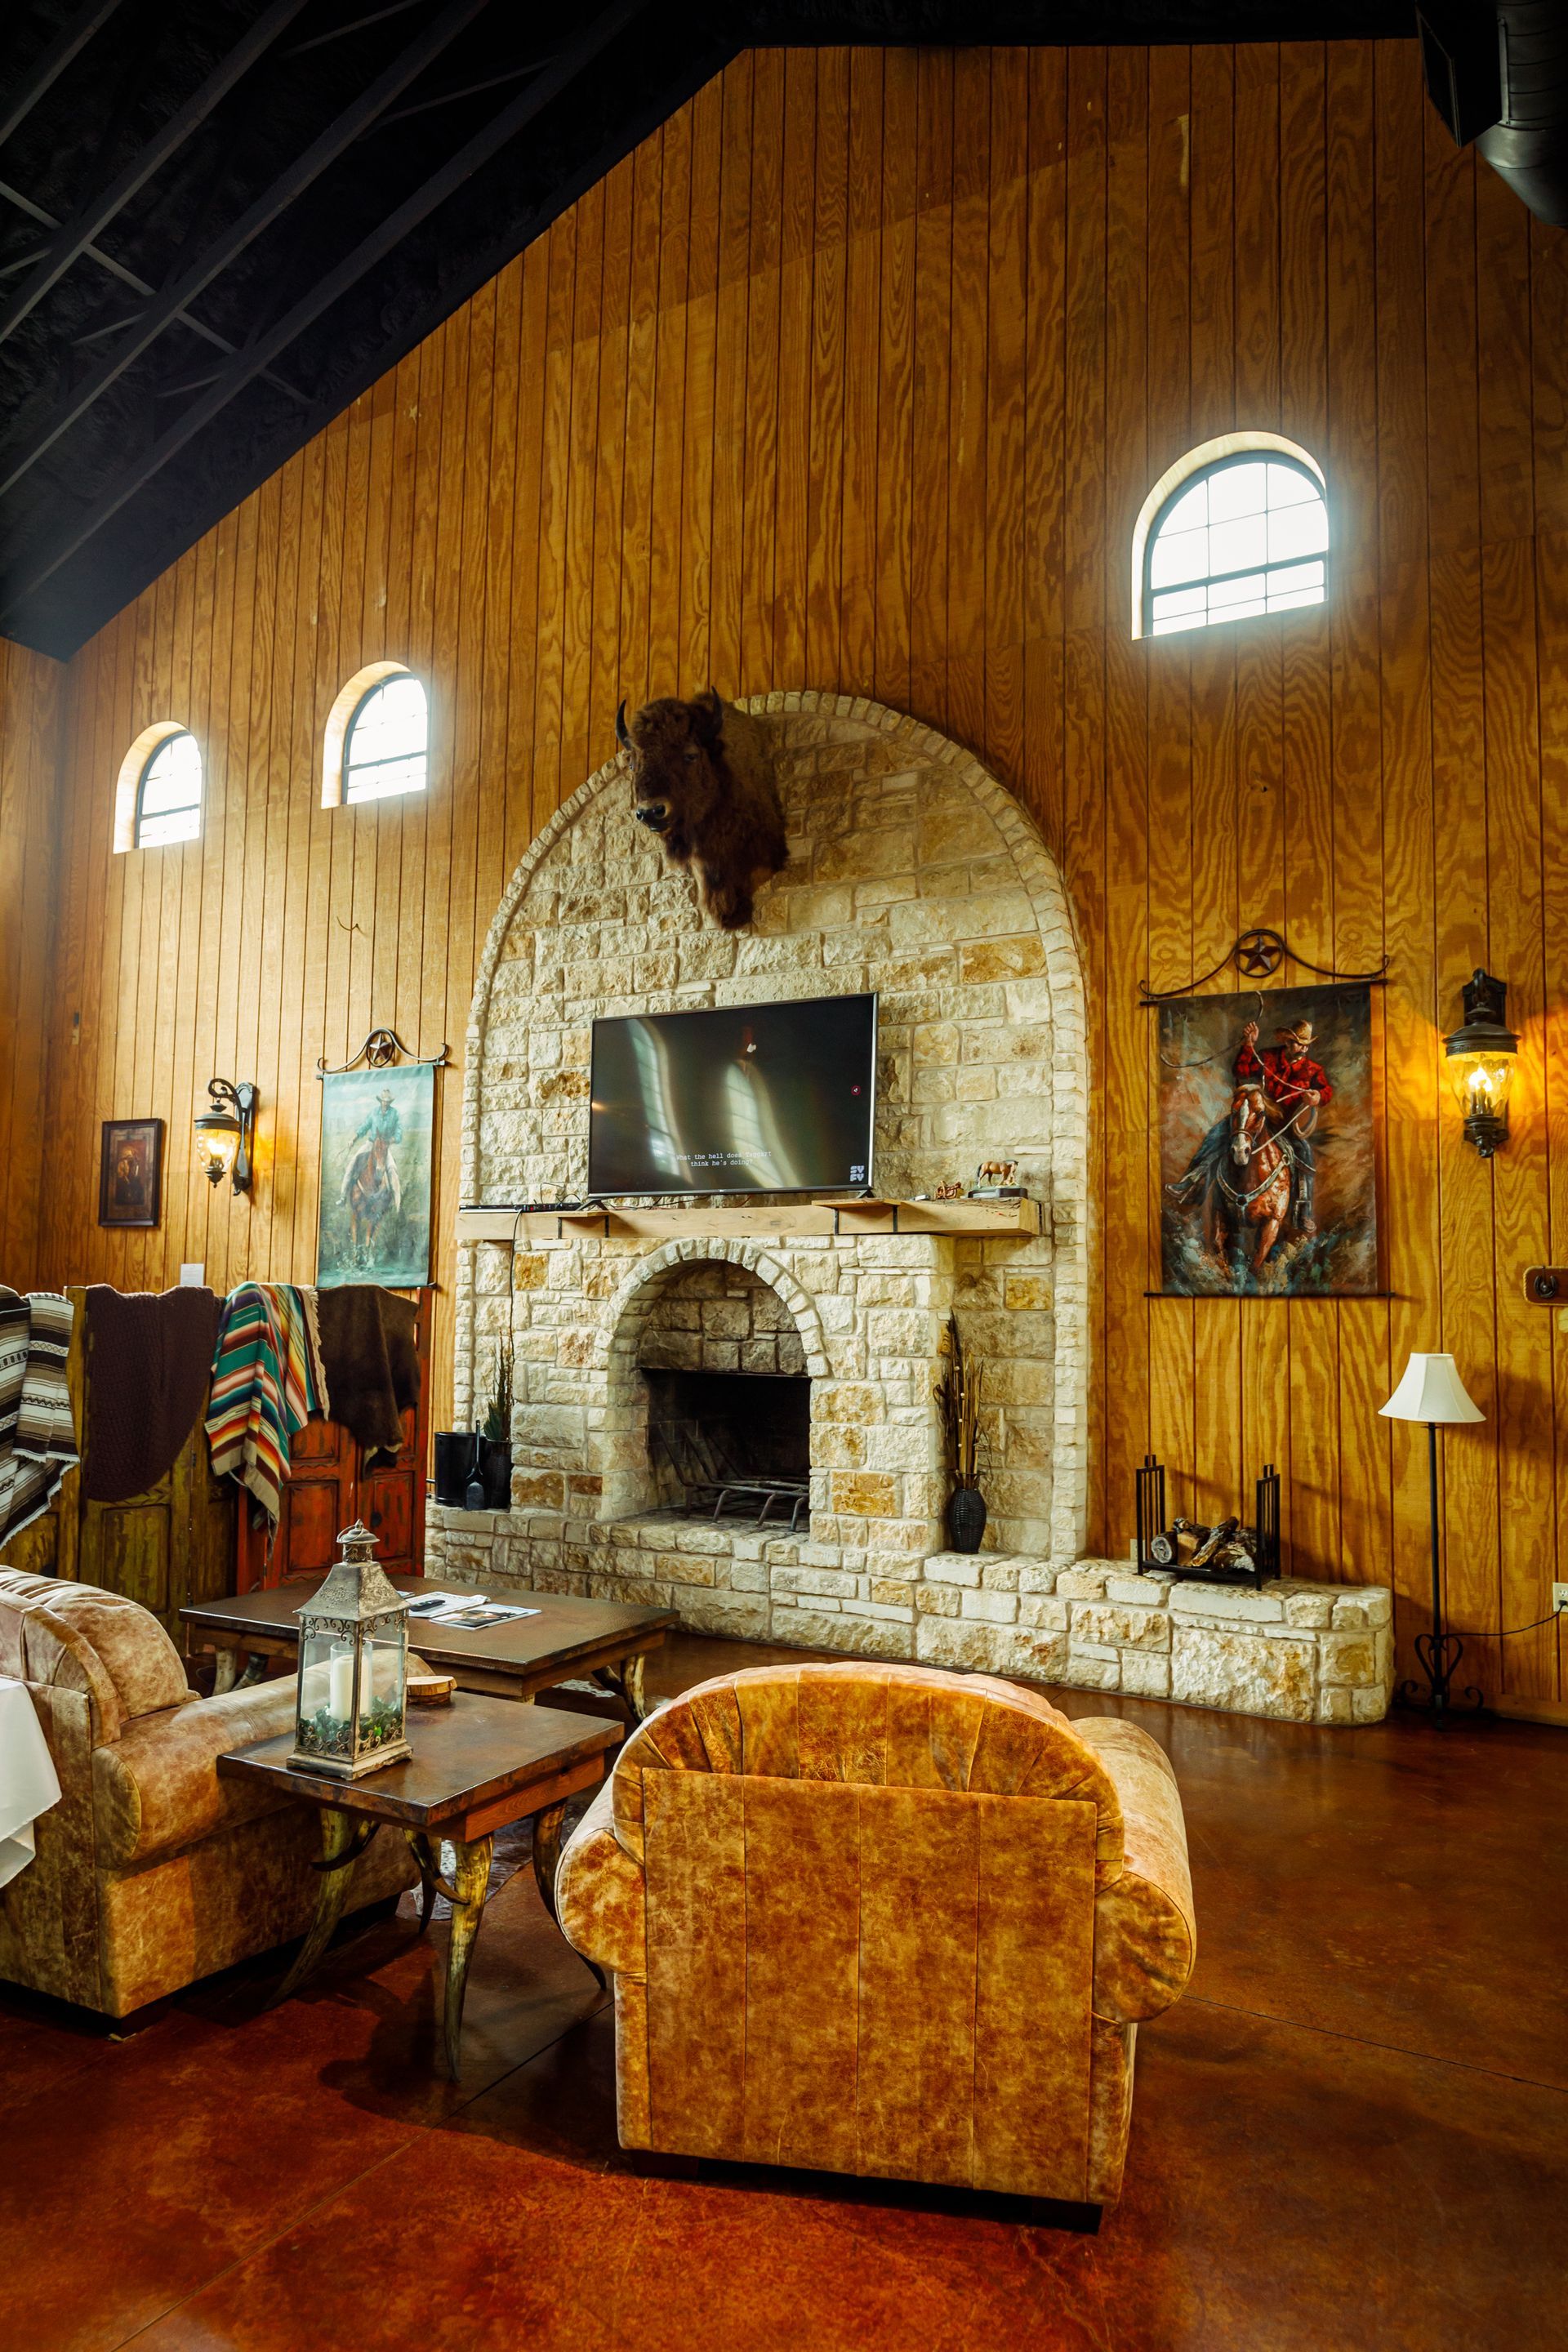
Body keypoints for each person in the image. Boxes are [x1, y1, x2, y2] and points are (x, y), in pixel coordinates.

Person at [1169, 1013, 1333, 1240]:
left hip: (1285, 1125)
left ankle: (1302, 1210)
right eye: (1298, 1043)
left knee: (1304, 1153)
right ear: (1287, 1041)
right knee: (1217, 1134)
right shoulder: (1267, 1057)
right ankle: (1190, 1185)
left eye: (1306, 1044)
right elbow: (1241, 1072)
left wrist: (1317, 1097)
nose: (1303, 1048)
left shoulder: (1314, 1070)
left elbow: (1326, 1092)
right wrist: (1249, 1044)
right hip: (1257, 1117)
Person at [339, 1086, 403, 1216]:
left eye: (388, 1102)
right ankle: (343, 1196)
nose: (385, 1103)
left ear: (390, 1103)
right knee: (352, 1163)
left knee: (392, 1171)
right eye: (384, 1101)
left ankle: (397, 1207)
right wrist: (353, 1139)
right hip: (370, 1143)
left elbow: (399, 1133)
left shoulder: (395, 1114)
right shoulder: (374, 1113)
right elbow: (364, 1127)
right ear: (380, 1101)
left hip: (384, 1146)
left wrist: (390, 1140)